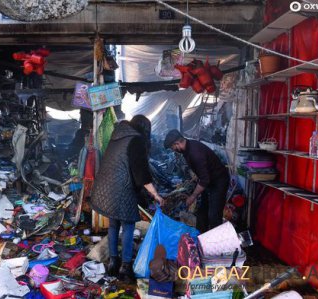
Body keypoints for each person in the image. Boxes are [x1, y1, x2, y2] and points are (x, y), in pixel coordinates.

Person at [90, 115, 164, 282]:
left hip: (104, 188)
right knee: (129, 227)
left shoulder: (117, 136)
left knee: (114, 225)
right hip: (121, 189)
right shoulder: (136, 140)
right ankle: (125, 267)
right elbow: (141, 175)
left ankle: (112, 263)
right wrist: (155, 194)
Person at [164, 129, 229, 233]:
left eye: (173, 148)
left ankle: (216, 245)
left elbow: (204, 180)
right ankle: (200, 237)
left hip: (219, 181)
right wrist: (196, 176)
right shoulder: (187, 147)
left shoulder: (195, 153)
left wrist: (193, 197)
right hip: (209, 181)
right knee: (202, 212)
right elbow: (202, 172)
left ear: (177, 143)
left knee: (214, 215)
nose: (174, 150)